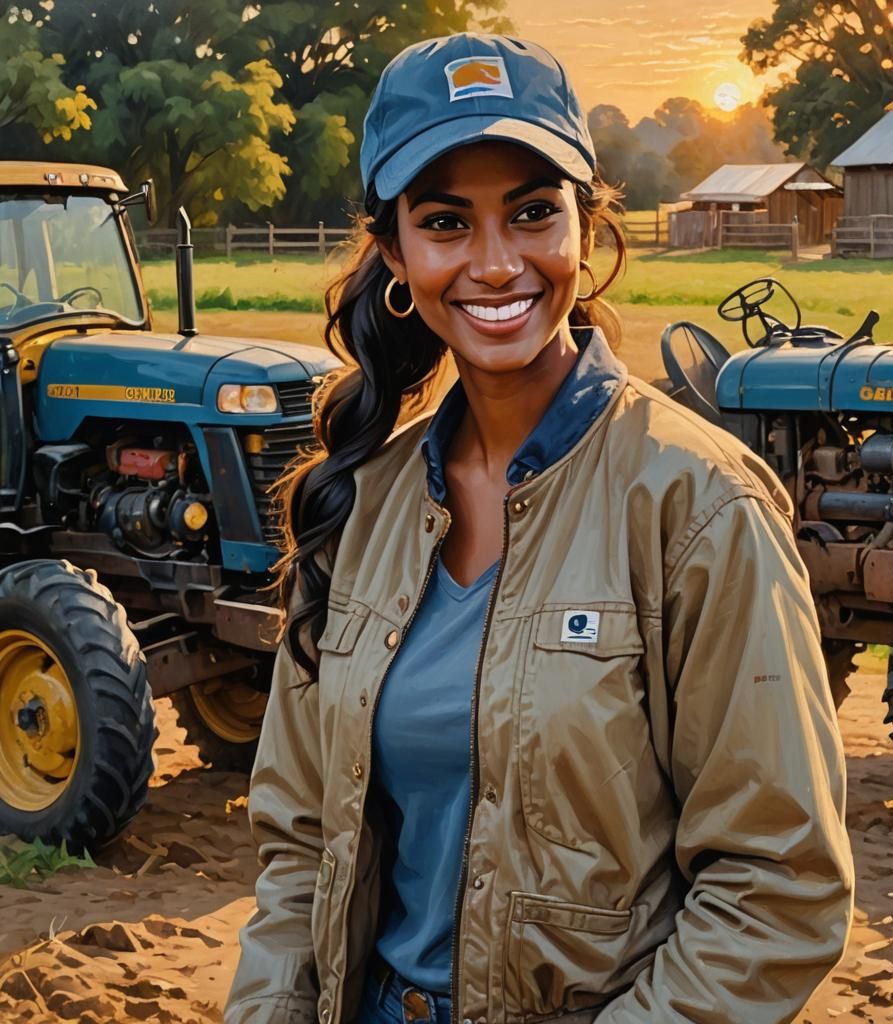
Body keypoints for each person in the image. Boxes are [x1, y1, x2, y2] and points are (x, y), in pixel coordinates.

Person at [223, 31, 854, 1024]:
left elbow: (778, 886)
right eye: (445, 221)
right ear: (394, 252)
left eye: (530, 212)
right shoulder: (369, 504)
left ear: (584, 224)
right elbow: (300, 843)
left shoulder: (694, 503)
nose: (495, 262)